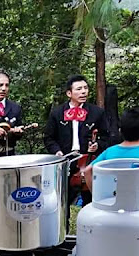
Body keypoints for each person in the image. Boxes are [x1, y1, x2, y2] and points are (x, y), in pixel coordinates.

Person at [44, 74, 109, 206]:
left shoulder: (97, 112)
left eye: (85, 88)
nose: (83, 91)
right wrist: (57, 152)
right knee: (63, 201)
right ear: (69, 93)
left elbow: (107, 137)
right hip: (66, 160)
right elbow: (49, 138)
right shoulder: (57, 113)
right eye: (79, 89)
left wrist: (97, 145)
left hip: (88, 161)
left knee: (91, 201)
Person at [84, 107, 139, 191]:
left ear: (120, 130)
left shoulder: (109, 152)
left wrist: (97, 195)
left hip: (112, 198)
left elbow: (87, 171)